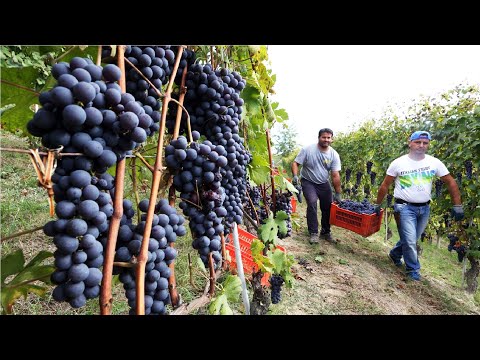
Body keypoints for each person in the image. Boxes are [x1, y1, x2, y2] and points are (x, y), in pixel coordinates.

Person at [374, 130, 464, 281]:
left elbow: (451, 182)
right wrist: (377, 204)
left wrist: (457, 205)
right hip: (403, 207)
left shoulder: (434, 162)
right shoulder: (398, 163)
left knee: (411, 238)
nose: (421, 146)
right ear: (410, 143)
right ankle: (413, 270)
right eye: (418, 142)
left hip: (424, 208)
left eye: (425, 143)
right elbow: (385, 185)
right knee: (409, 241)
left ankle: (395, 254)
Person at [291, 128, 342, 245]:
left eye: (329, 138)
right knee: (312, 203)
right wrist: (295, 176)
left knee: (328, 206)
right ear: (319, 138)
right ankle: (313, 232)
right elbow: (295, 163)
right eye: (324, 137)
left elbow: (335, 175)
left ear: (332, 139)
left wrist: (338, 193)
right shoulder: (308, 150)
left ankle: (325, 232)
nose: (326, 140)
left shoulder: (334, 155)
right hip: (308, 181)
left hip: (323, 182)